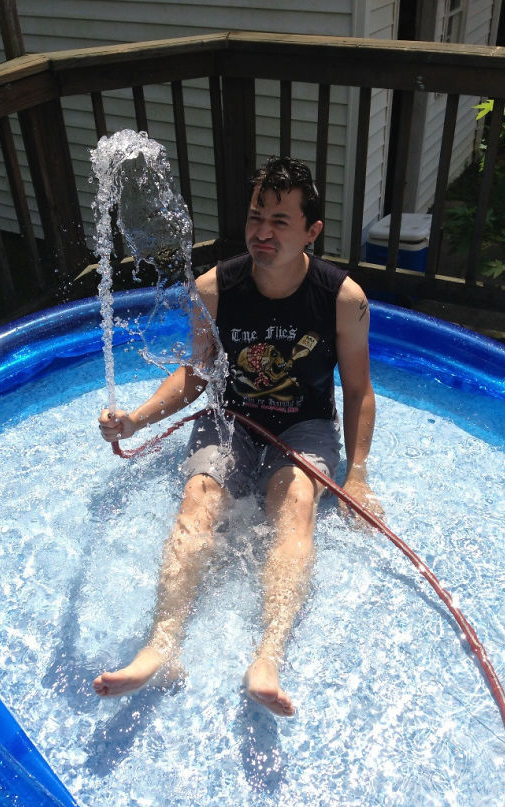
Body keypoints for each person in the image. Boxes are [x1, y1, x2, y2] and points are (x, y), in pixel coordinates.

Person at [93, 157, 380, 716]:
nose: (262, 233)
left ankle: (268, 654)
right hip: (232, 420)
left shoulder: (343, 299)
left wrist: (359, 473)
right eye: (255, 218)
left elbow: (359, 390)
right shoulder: (215, 288)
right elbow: (198, 374)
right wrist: (137, 418)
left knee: (294, 502)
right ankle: (161, 645)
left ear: (311, 232)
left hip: (306, 424)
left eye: (280, 220)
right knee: (197, 501)